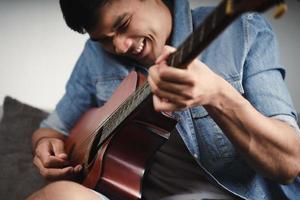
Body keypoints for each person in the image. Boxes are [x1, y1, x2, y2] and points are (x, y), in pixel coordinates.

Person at [27, 0, 300, 199]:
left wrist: (217, 95)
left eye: (123, 24)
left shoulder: (243, 31)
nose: (120, 46)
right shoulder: (94, 57)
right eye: (105, 40)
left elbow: (289, 163)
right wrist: (44, 144)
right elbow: (52, 128)